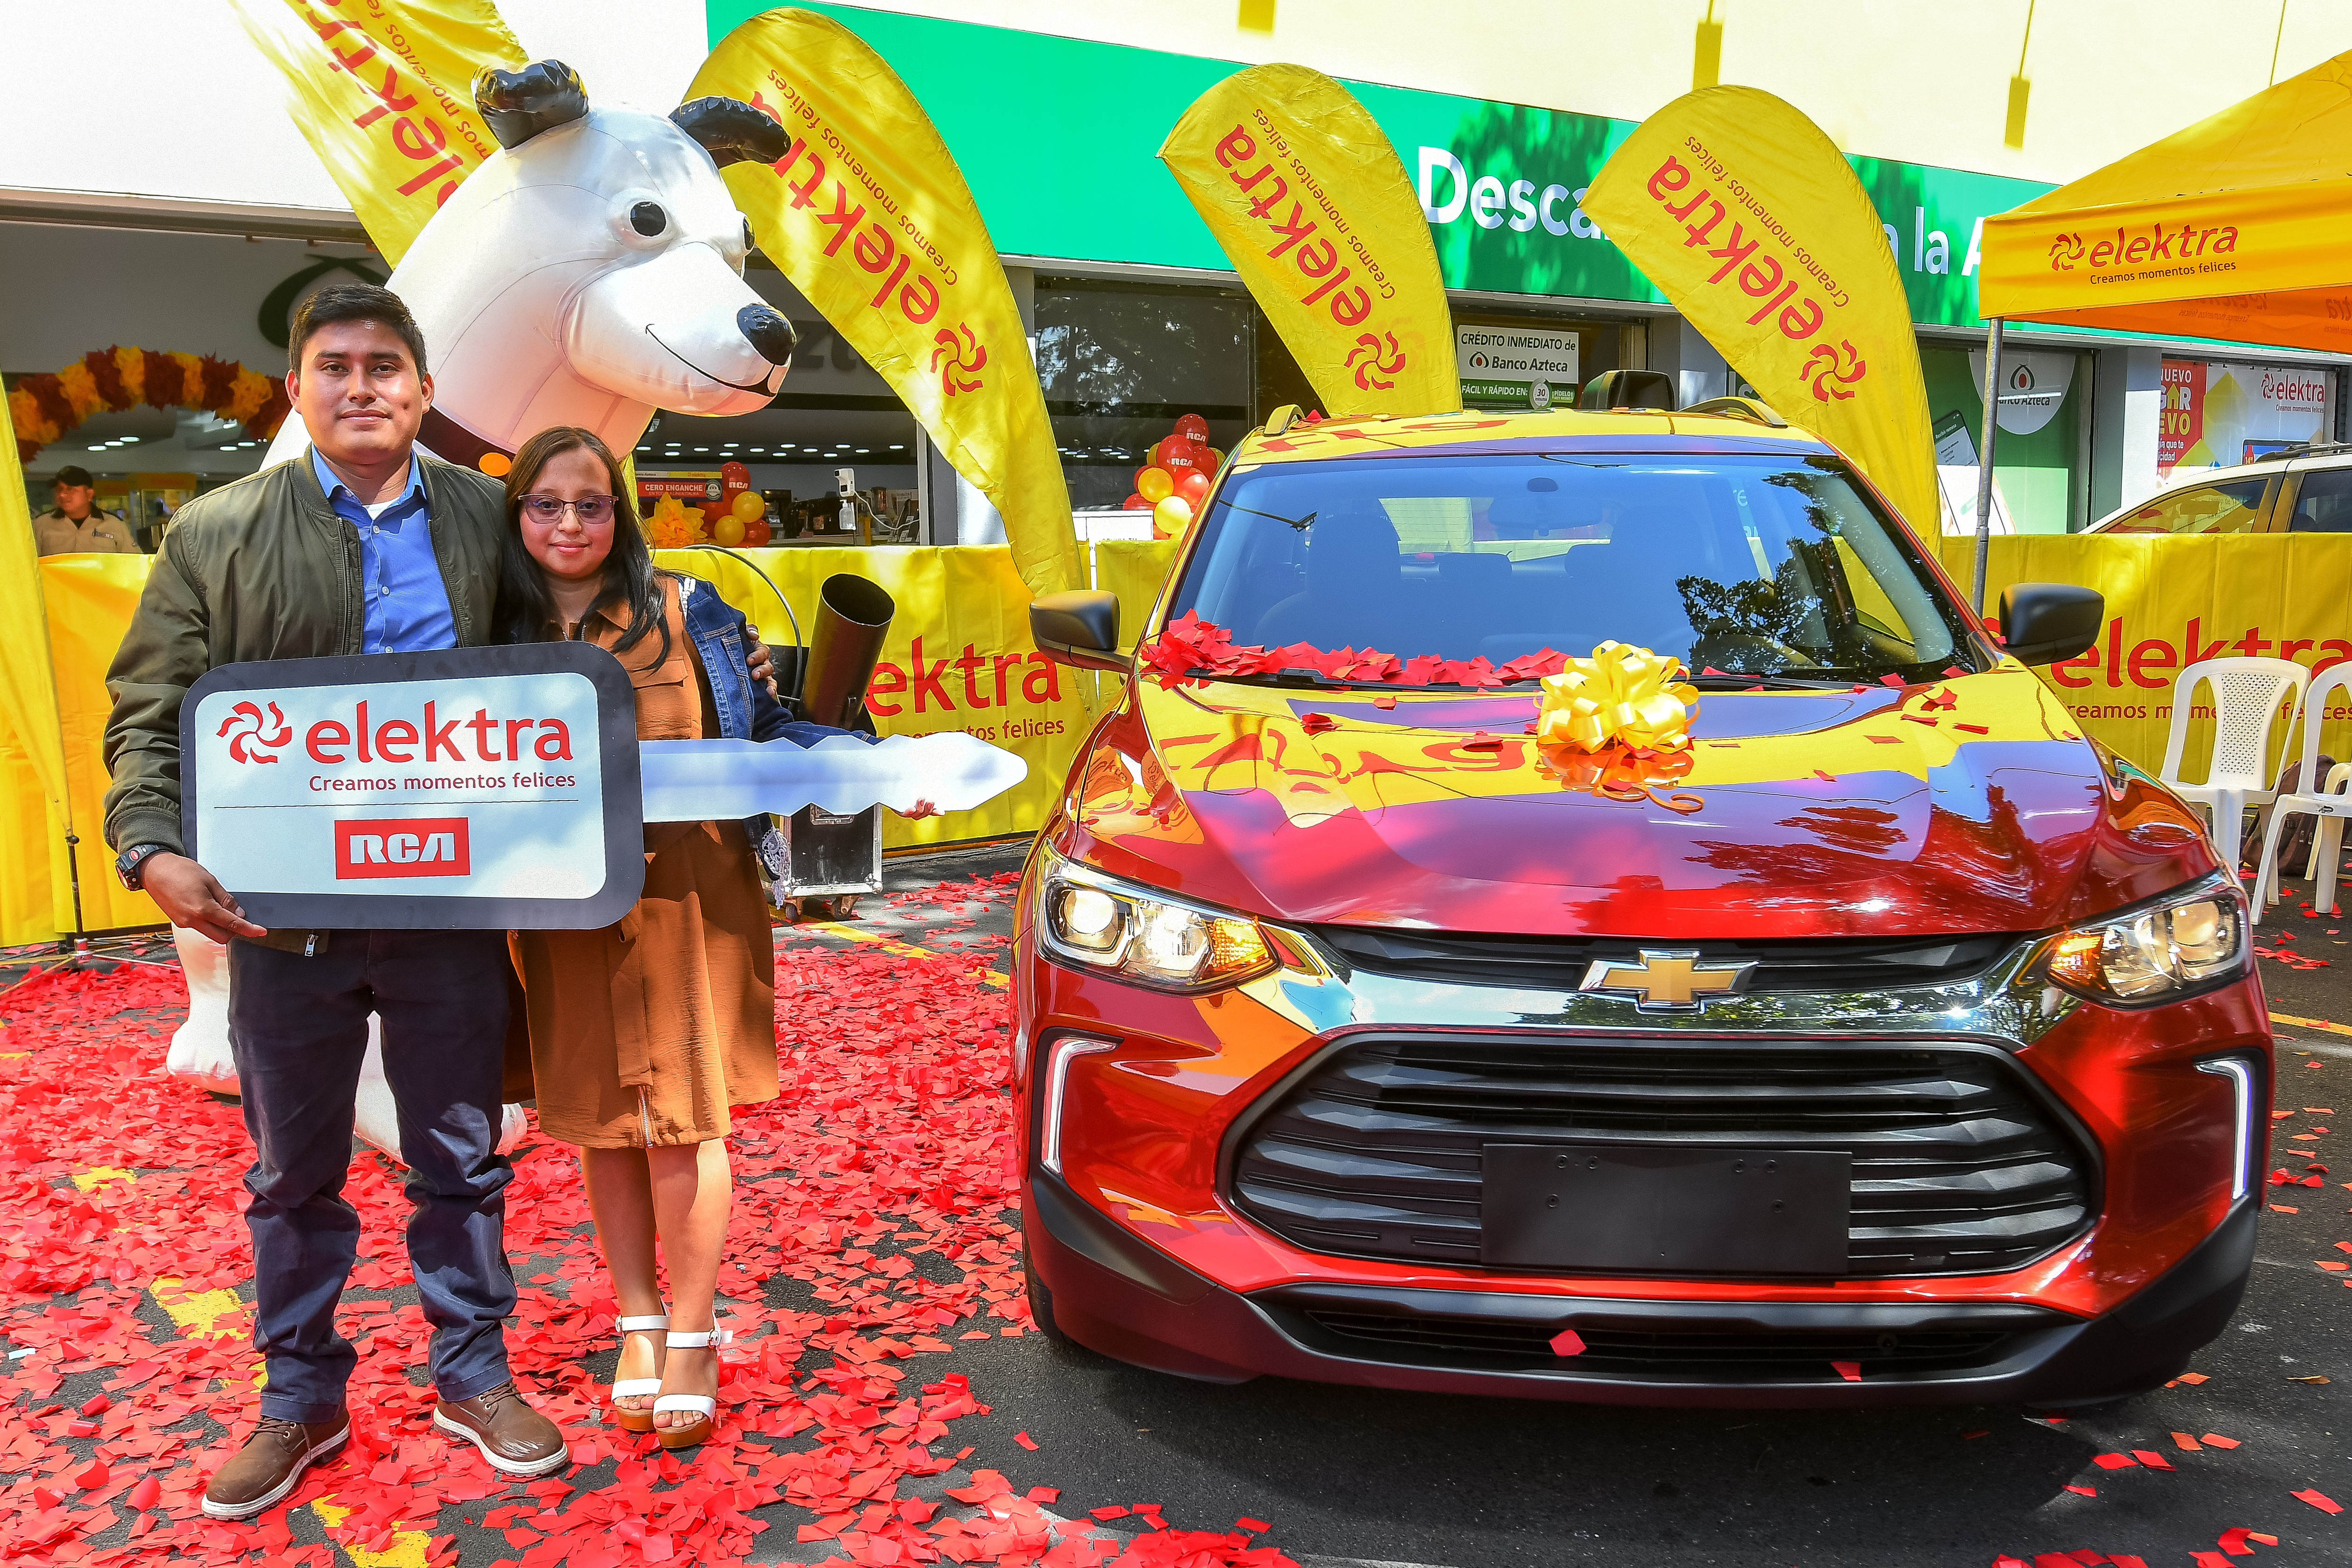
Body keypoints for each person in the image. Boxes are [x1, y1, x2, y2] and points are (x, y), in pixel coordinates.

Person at [100, 284, 574, 1519]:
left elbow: (562, 681)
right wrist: (150, 845)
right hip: (282, 915)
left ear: (423, 390)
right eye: (334, 365)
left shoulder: (491, 516)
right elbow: (150, 709)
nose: (359, 384)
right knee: (291, 1172)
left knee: (459, 1158)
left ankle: (472, 1372)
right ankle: (298, 1394)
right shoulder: (214, 530)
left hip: (449, 901)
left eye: (384, 366)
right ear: (298, 391)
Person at [494, 425, 929, 1449]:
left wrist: (862, 763)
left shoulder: (689, 608)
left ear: (620, 512)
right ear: (516, 516)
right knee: (602, 1118)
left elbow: (766, 731)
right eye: (545, 503)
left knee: (685, 1115)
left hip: (692, 887)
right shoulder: (487, 627)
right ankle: (637, 1320)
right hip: (561, 901)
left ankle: (692, 1333)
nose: (568, 522)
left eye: (590, 503)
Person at [33, 465, 136, 554]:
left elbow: (134, 563)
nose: (62, 494)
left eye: (71, 489)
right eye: (60, 489)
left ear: (89, 494)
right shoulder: (41, 524)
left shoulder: (114, 524)